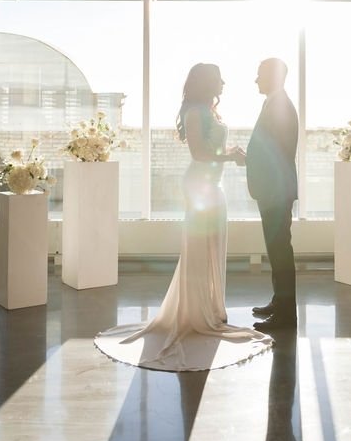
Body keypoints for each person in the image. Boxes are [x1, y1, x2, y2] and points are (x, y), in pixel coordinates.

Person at [94, 63, 271, 371]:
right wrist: (230, 156)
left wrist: (231, 151)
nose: (224, 84)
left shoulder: (207, 110)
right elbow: (199, 154)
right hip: (200, 187)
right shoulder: (194, 112)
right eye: (219, 79)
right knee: (201, 249)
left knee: (212, 247)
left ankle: (210, 311)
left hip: (212, 186)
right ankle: (196, 314)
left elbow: (211, 146)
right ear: (207, 83)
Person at [246, 58, 299, 332]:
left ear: (273, 77)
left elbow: (276, 153)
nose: (255, 80)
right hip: (273, 191)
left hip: (276, 192)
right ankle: (280, 303)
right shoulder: (274, 103)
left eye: (259, 75)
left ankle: (286, 316)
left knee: (280, 252)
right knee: (276, 250)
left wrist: (250, 160)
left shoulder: (280, 106)